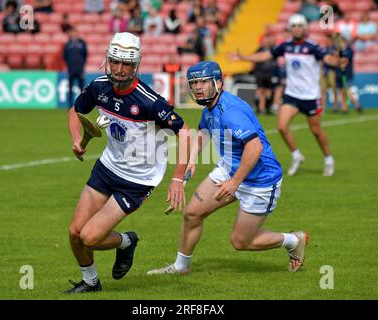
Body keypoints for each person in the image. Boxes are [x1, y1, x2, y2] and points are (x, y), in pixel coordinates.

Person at [147, 61, 308, 276]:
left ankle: (293, 240)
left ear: (219, 83)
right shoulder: (210, 107)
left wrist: (234, 183)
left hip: (260, 180)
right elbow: (204, 132)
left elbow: (255, 147)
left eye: (203, 82)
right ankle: (181, 267)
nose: (198, 87)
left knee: (240, 241)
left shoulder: (231, 111)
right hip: (229, 168)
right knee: (192, 214)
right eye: (194, 83)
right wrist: (192, 160)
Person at [64, 32, 190, 293]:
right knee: (75, 233)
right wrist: (77, 139)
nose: (120, 70)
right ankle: (91, 283)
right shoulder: (99, 87)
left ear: (136, 65)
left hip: (138, 180)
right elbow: (75, 111)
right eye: (115, 62)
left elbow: (186, 133)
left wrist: (177, 178)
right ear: (107, 61)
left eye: (127, 64)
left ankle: (126, 242)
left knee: (90, 237)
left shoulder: (150, 101)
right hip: (108, 167)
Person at [228, 14, 347, 177]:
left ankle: (328, 159)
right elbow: (265, 55)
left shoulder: (312, 46)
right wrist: (244, 57)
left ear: (304, 28)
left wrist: (338, 61)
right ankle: (296, 156)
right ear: (290, 29)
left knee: (316, 131)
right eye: (294, 25)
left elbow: (328, 59)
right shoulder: (286, 46)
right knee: (282, 126)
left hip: (311, 96)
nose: (297, 28)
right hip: (292, 95)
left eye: (300, 25)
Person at [63, 28, 88, 108]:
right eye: (72, 34)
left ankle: (82, 105)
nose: (74, 35)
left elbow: (85, 55)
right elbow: (65, 56)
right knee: (70, 89)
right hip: (71, 70)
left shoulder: (82, 44)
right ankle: (70, 106)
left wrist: (82, 65)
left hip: (80, 70)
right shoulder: (67, 44)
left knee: (82, 89)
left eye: (75, 34)